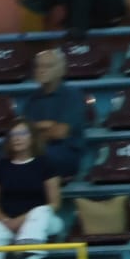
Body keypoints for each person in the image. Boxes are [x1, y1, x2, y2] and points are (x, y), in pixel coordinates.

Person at [0, 120, 64, 259]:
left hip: (43, 221)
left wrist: (23, 219)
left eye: (22, 133)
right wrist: (6, 221)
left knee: (42, 210)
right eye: (13, 134)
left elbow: (55, 203)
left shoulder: (45, 164)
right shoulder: (0, 167)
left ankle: (28, 251)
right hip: (8, 221)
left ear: (32, 137)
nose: (17, 138)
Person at [23, 47, 86, 179]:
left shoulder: (72, 95)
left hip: (66, 153)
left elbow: (60, 132)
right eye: (38, 66)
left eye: (48, 66)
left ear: (61, 70)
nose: (41, 70)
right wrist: (47, 125)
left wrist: (37, 129)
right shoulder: (31, 99)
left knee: (38, 158)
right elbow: (25, 131)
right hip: (38, 151)